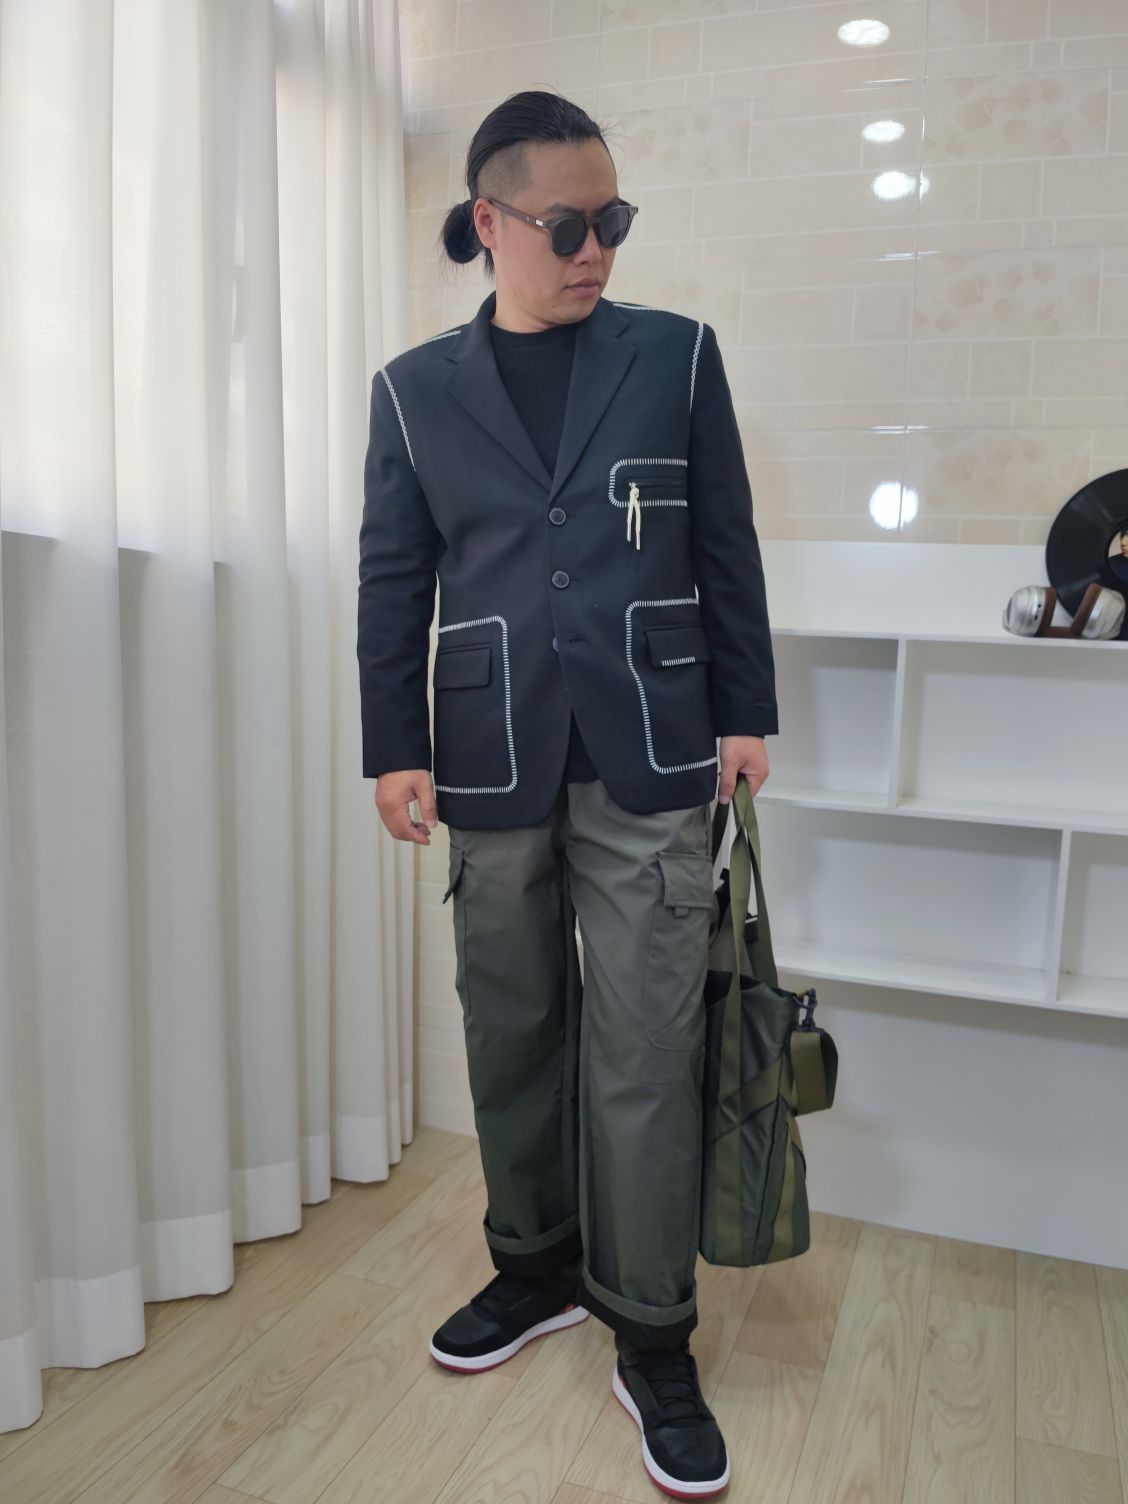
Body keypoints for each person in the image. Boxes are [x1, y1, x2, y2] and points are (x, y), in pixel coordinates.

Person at [357, 89, 777, 1501]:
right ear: (491, 223)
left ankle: (652, 1330)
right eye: (567, 224)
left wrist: (748, 711)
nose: (596, 248)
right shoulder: (413, 390)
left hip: (655, 739)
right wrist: (392, 743)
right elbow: (392, 577)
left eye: (614, 220)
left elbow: (725, 541)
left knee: (647, 1042)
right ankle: (533, 1267)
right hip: (486, 749)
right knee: (513, 1025)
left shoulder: (677, 356)